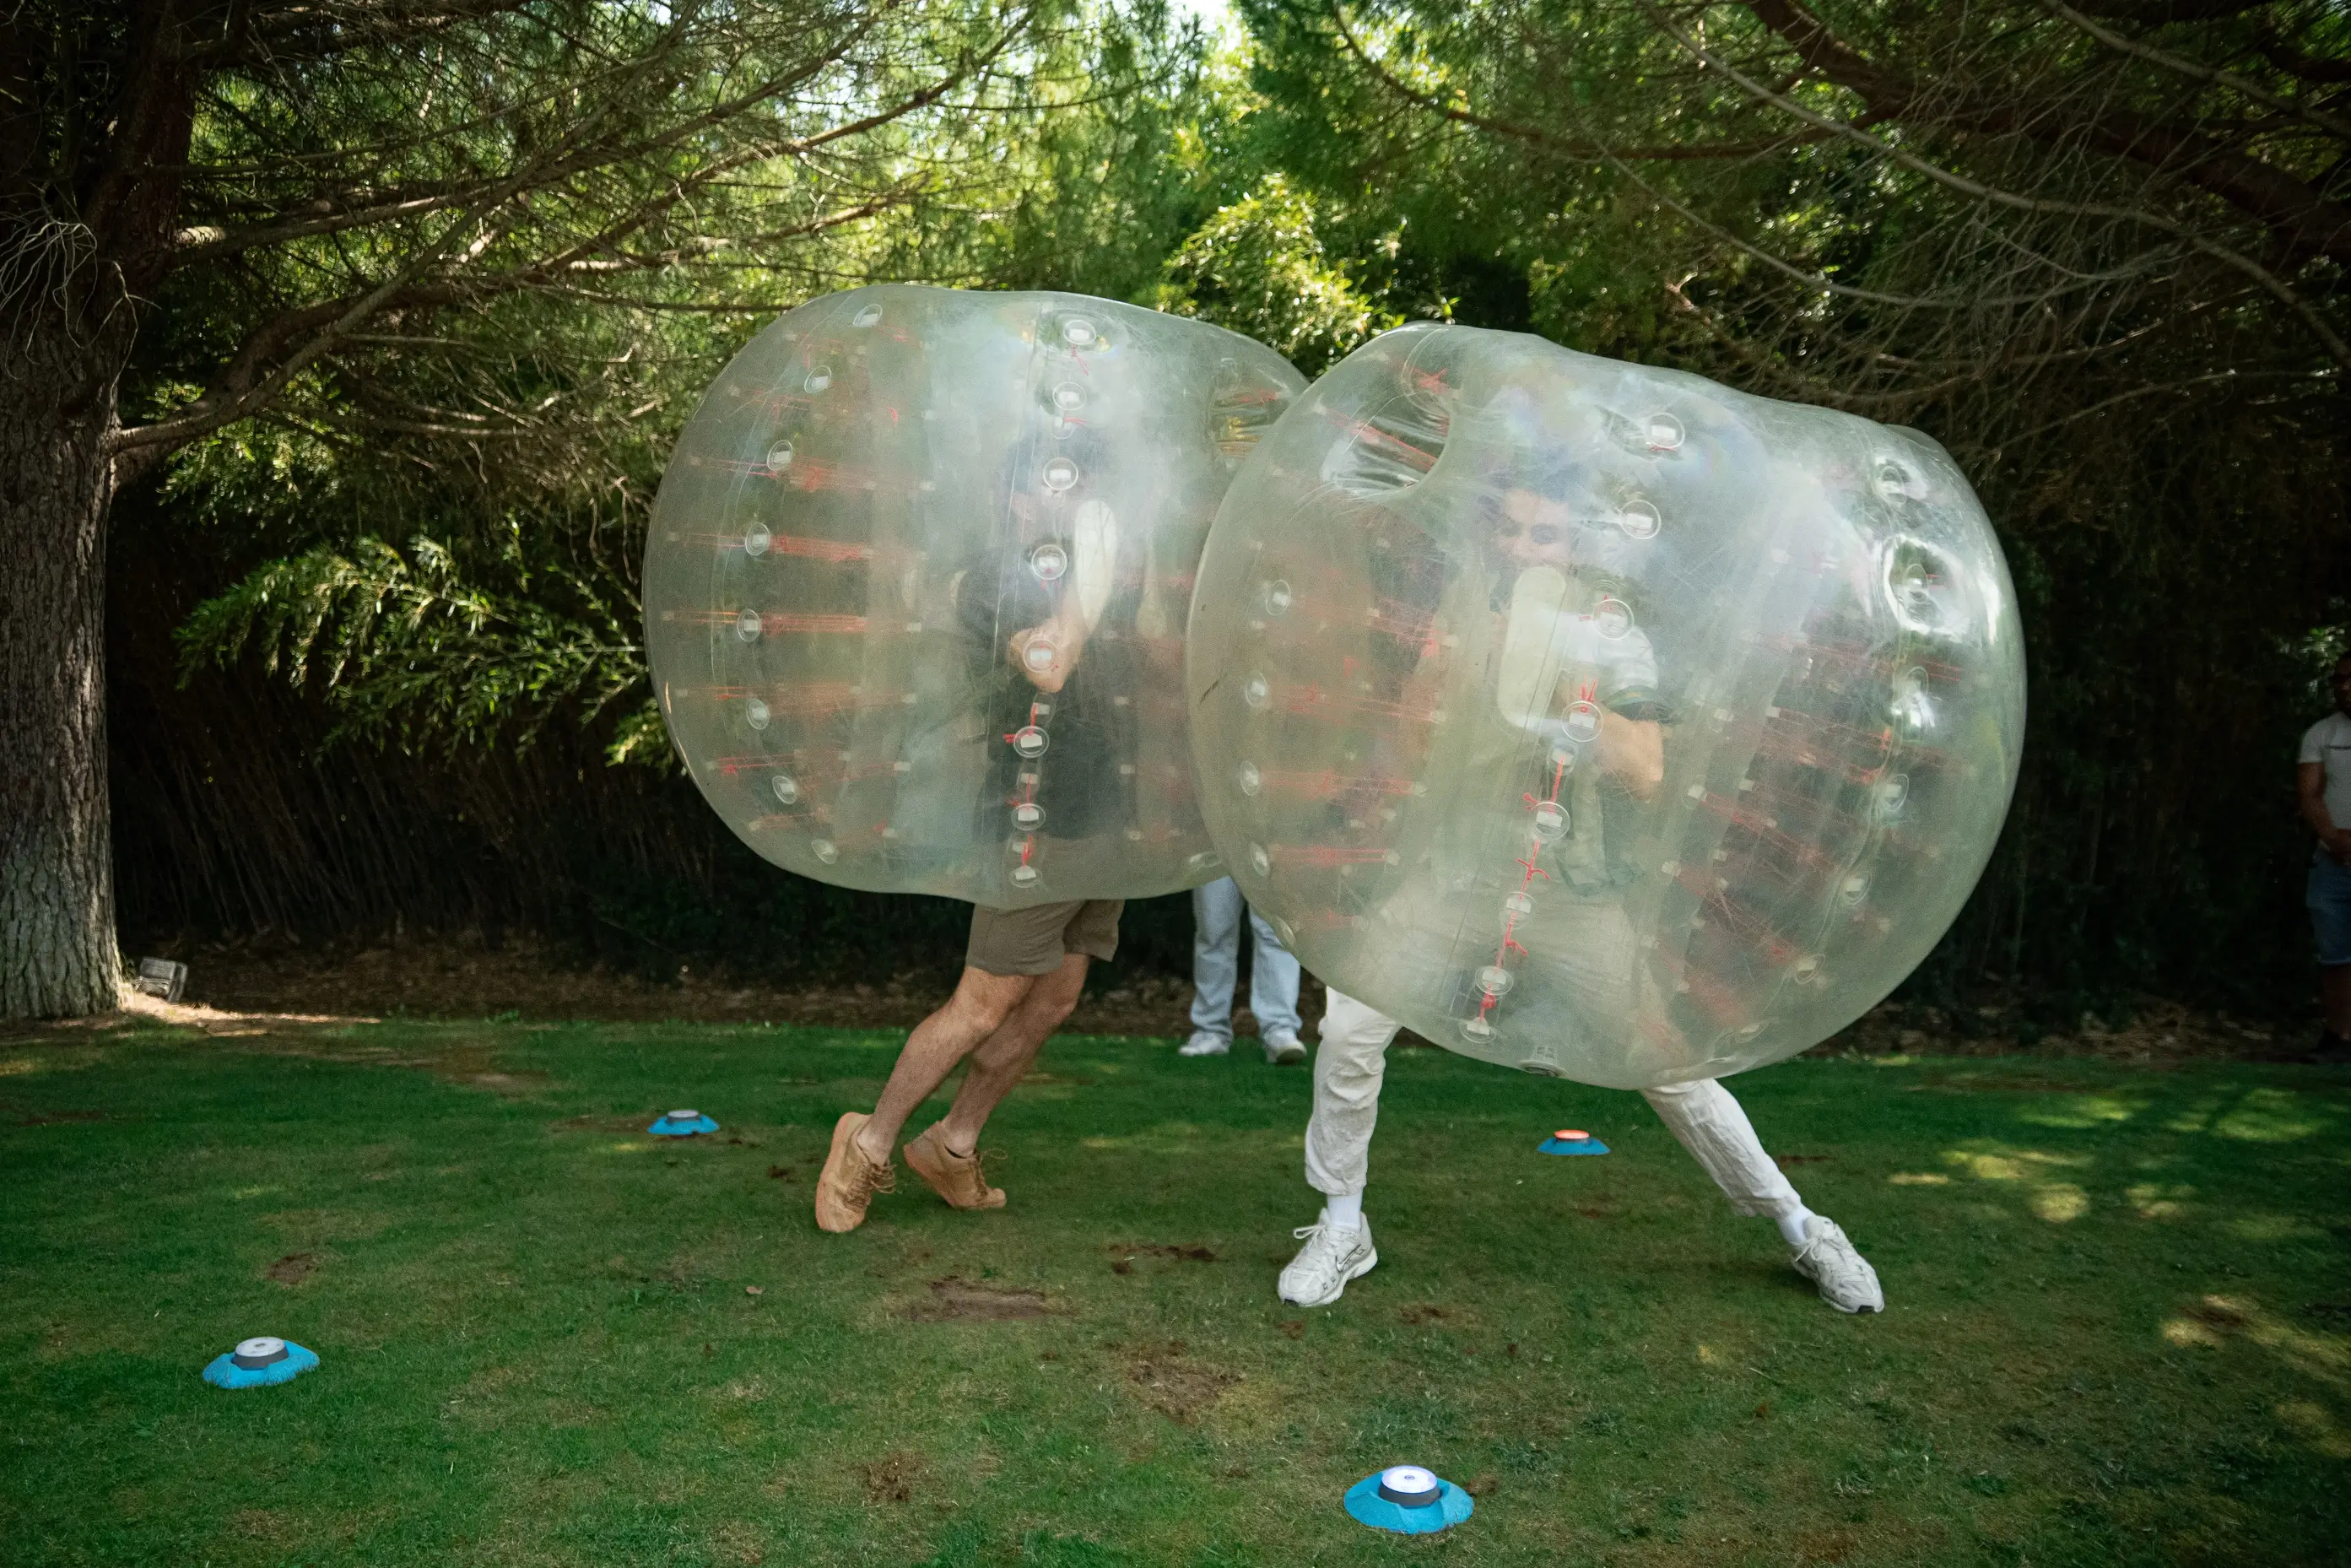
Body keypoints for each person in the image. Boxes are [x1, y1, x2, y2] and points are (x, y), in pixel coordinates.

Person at [1274, 466, 1884, 1312]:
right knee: (1347, 1026)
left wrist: (1574, 691)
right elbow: (1412, 743)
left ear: (1576, 547)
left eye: (1546, 535)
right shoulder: (1461, 620)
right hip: (1454, 873)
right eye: (1514, 532)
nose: (1525, 549)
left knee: (1663, 1062)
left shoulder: (1613, 637)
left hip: (1567, 887)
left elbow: (1645, 770)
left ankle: (1800, 1225)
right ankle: (1343, 1224)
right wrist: (1458, 676)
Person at [815, 498, 1132, 1234]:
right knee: (984, 1004)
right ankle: (866, 1142)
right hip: (1033, 818)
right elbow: (1049, 668)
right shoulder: (994, 583)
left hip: (1102, 817)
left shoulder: (1102, 572)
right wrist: (1091, 588)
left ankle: (951, 1144)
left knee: (1053, 1002)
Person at [1180, 878, 1306, 1062]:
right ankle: (1210, 1030)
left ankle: (1279, 1029)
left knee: (1277, 931)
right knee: (1213, 931)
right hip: (1216, 849)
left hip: (1266, 848)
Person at [2297, 652, 2351, 1062]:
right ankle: (2338, 1037)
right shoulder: (2321, 733)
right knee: (2335, 956)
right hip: (2332, 862)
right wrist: (2336, 842)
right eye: (2339, 679)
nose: (2344, 687)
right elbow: (2310, 795)